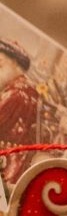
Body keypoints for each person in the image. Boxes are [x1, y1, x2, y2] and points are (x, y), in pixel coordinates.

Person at [0, 39, 40, 189]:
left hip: (8, 164)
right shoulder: (22, 89)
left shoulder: (18, 93)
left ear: (15, 64)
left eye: (0, 64)